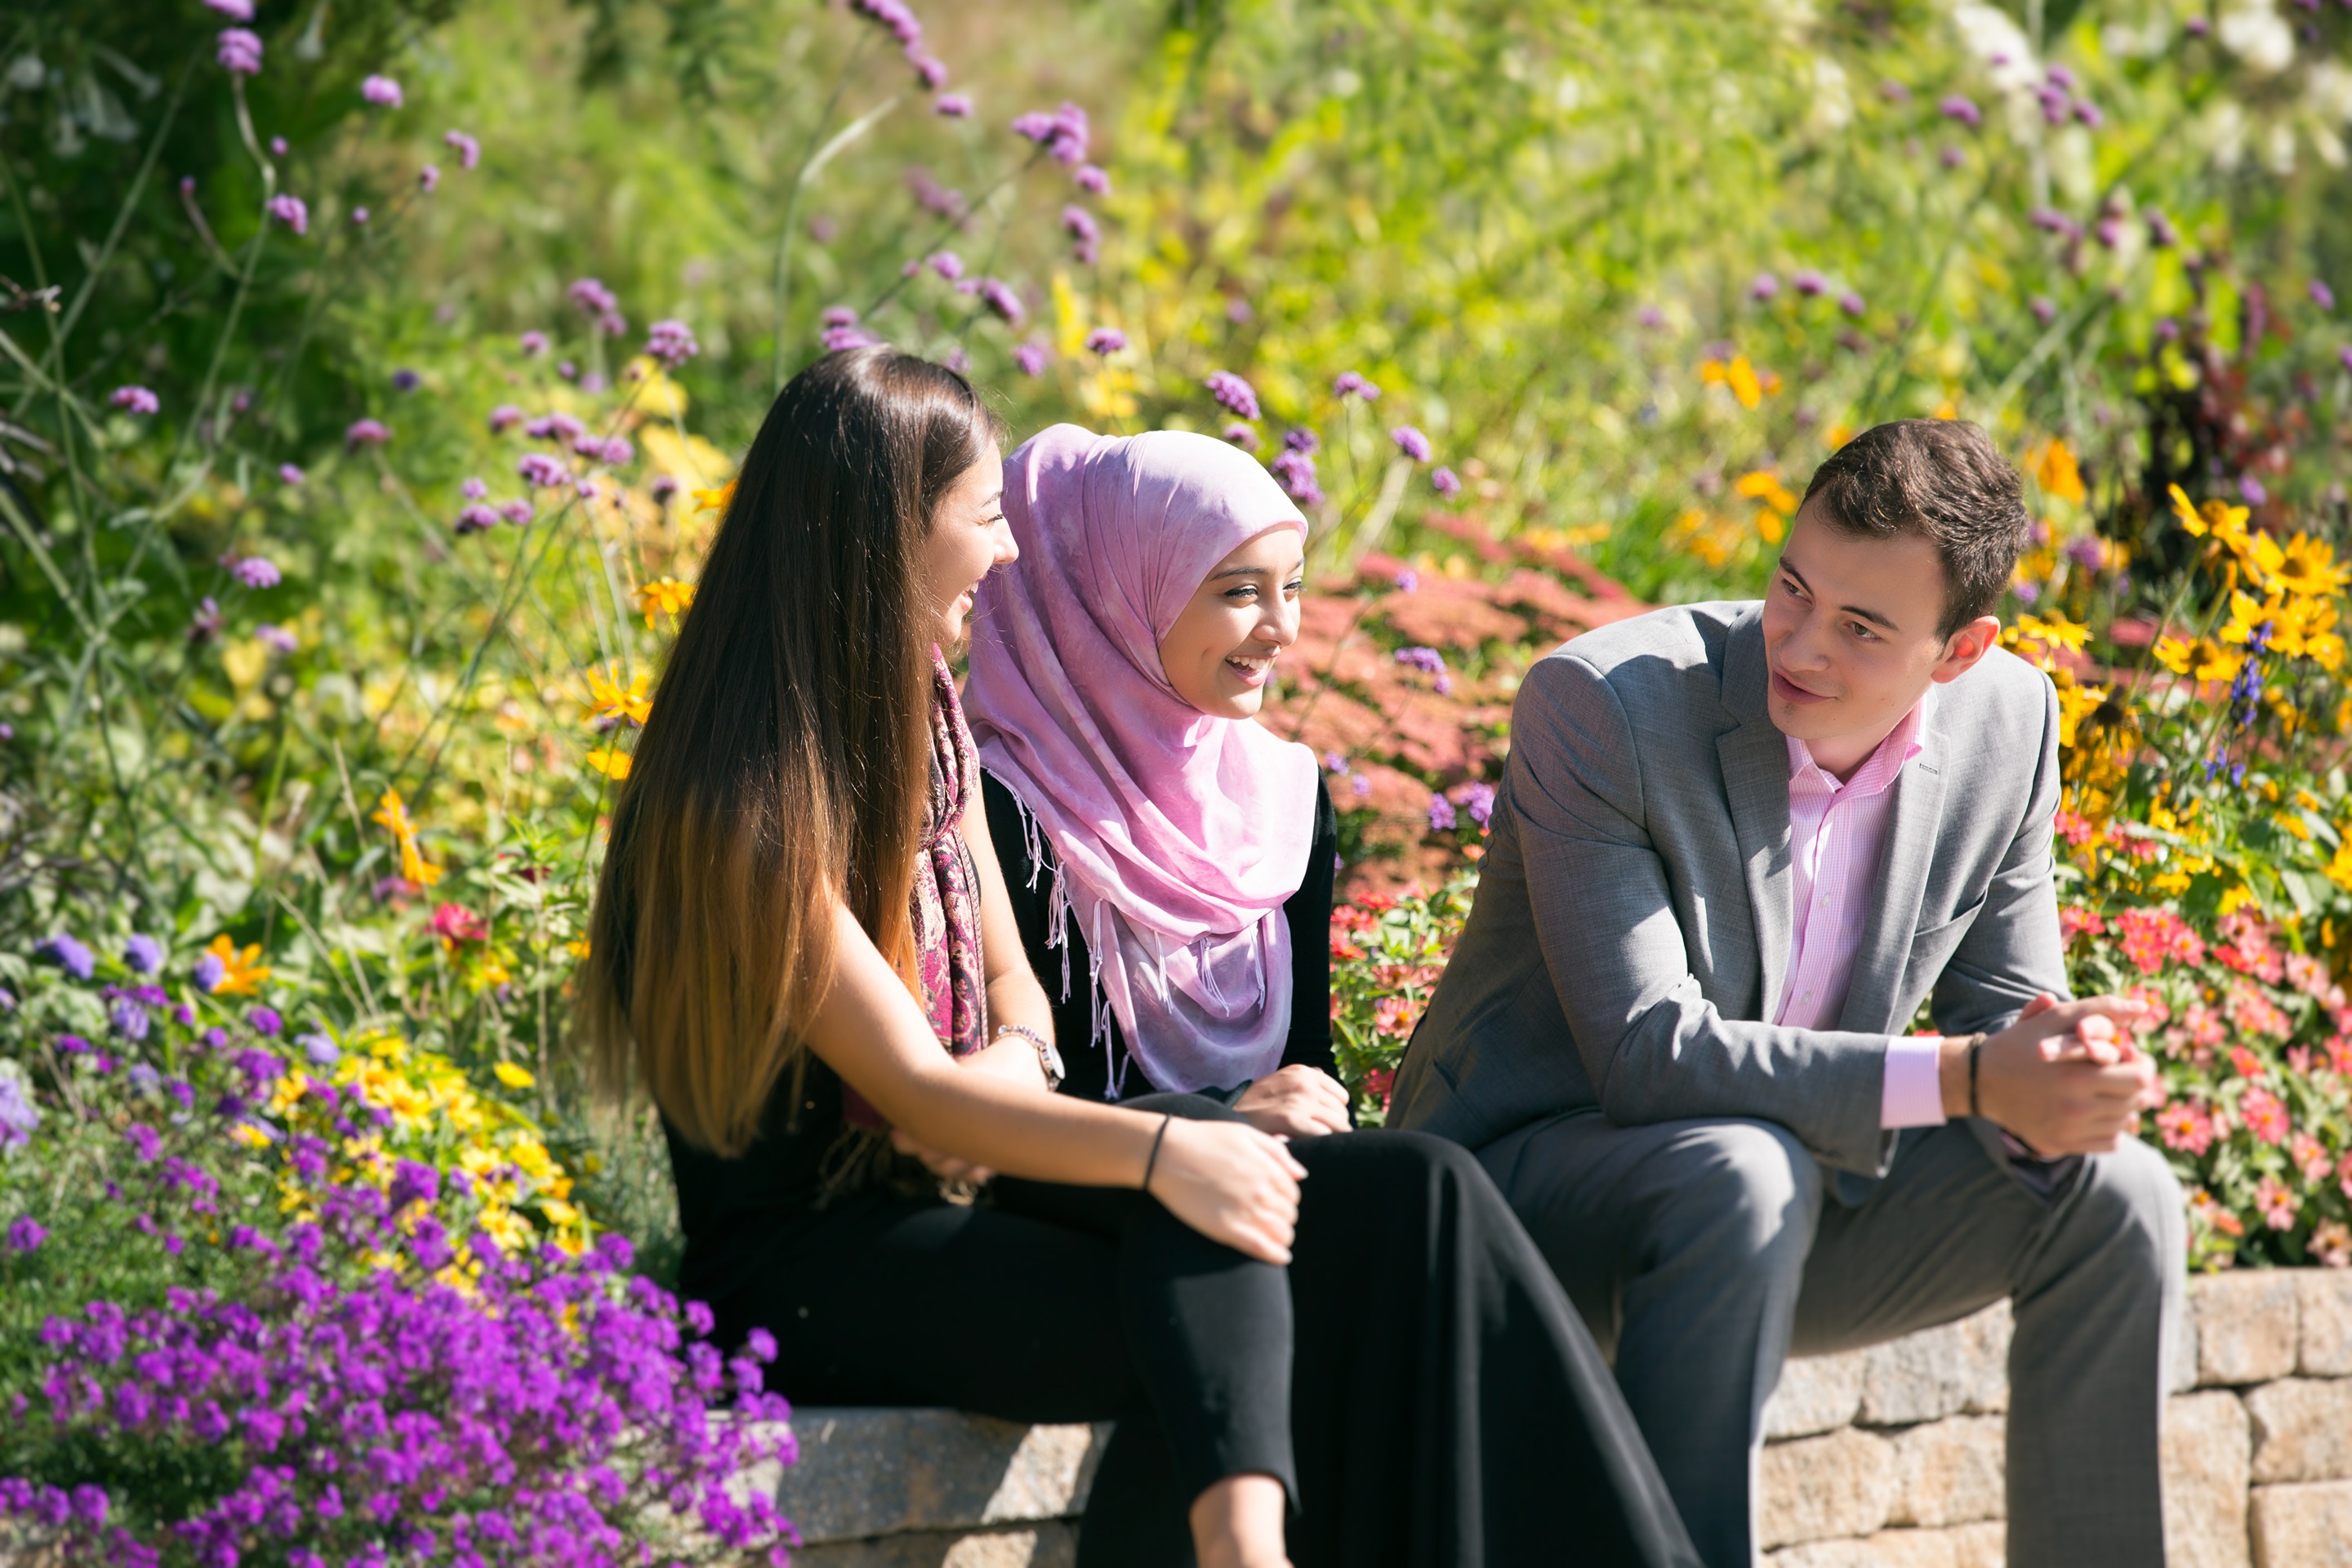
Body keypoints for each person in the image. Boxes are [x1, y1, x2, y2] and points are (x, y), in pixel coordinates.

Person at [581, 360, 1699, 1568]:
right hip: (819, 1268)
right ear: (884, 534)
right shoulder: (740, 810)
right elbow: (914, 1099)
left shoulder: (927, 721)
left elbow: (1013, 1008)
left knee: (1414, 1192)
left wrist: (1017, 1074)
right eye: (985, 518)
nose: (1008, 555)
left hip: (966, 1177)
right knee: (1238, 1225)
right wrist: (1167, 1141)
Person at [1388, 418, 2184, 1568]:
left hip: (1783, 1210)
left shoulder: (2012, 721)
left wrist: (2063, 1066)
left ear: (1959, 652)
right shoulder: (1602, 706)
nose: (1801, 646)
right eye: (1791, 589)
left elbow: (2005, 1010)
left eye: (1862, 628)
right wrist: (1970, 1080)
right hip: (1526, 1199)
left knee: (2119, 1195)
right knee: (1739, 1169)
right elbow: (1647, 1055)